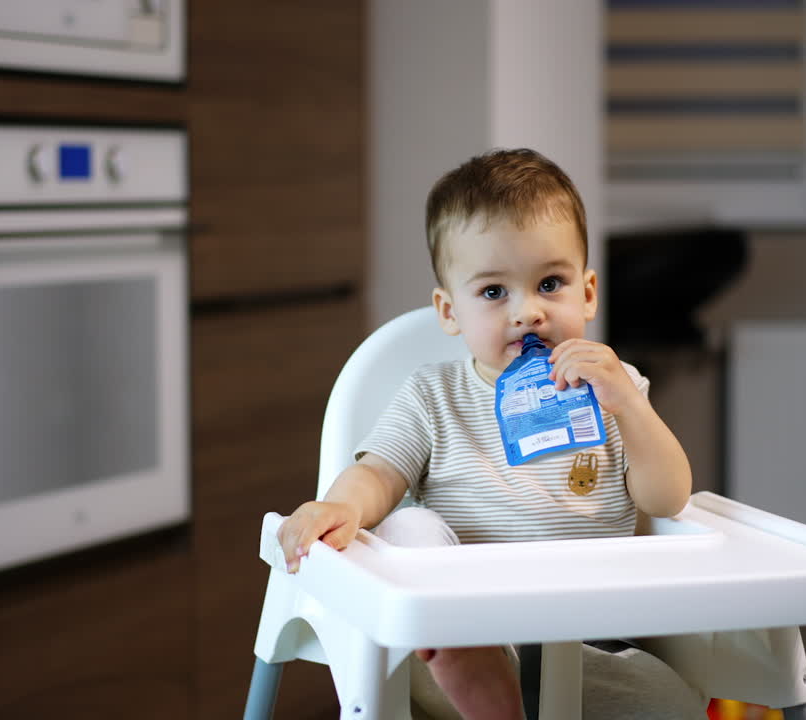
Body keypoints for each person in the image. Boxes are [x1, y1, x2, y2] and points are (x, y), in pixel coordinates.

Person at [276, 148, 701, 720]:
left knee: (669, 700)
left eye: (550, 283)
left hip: (589, 649)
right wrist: (340, 507)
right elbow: (378, 472)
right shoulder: (432, 396)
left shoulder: (615, 389)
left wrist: (627, 404)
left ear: (589, 293)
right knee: (408, 528)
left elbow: (667, 498)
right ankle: (479, 677)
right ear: (449, 312)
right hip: (459, 637)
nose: (527, 312)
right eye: (495, 292)